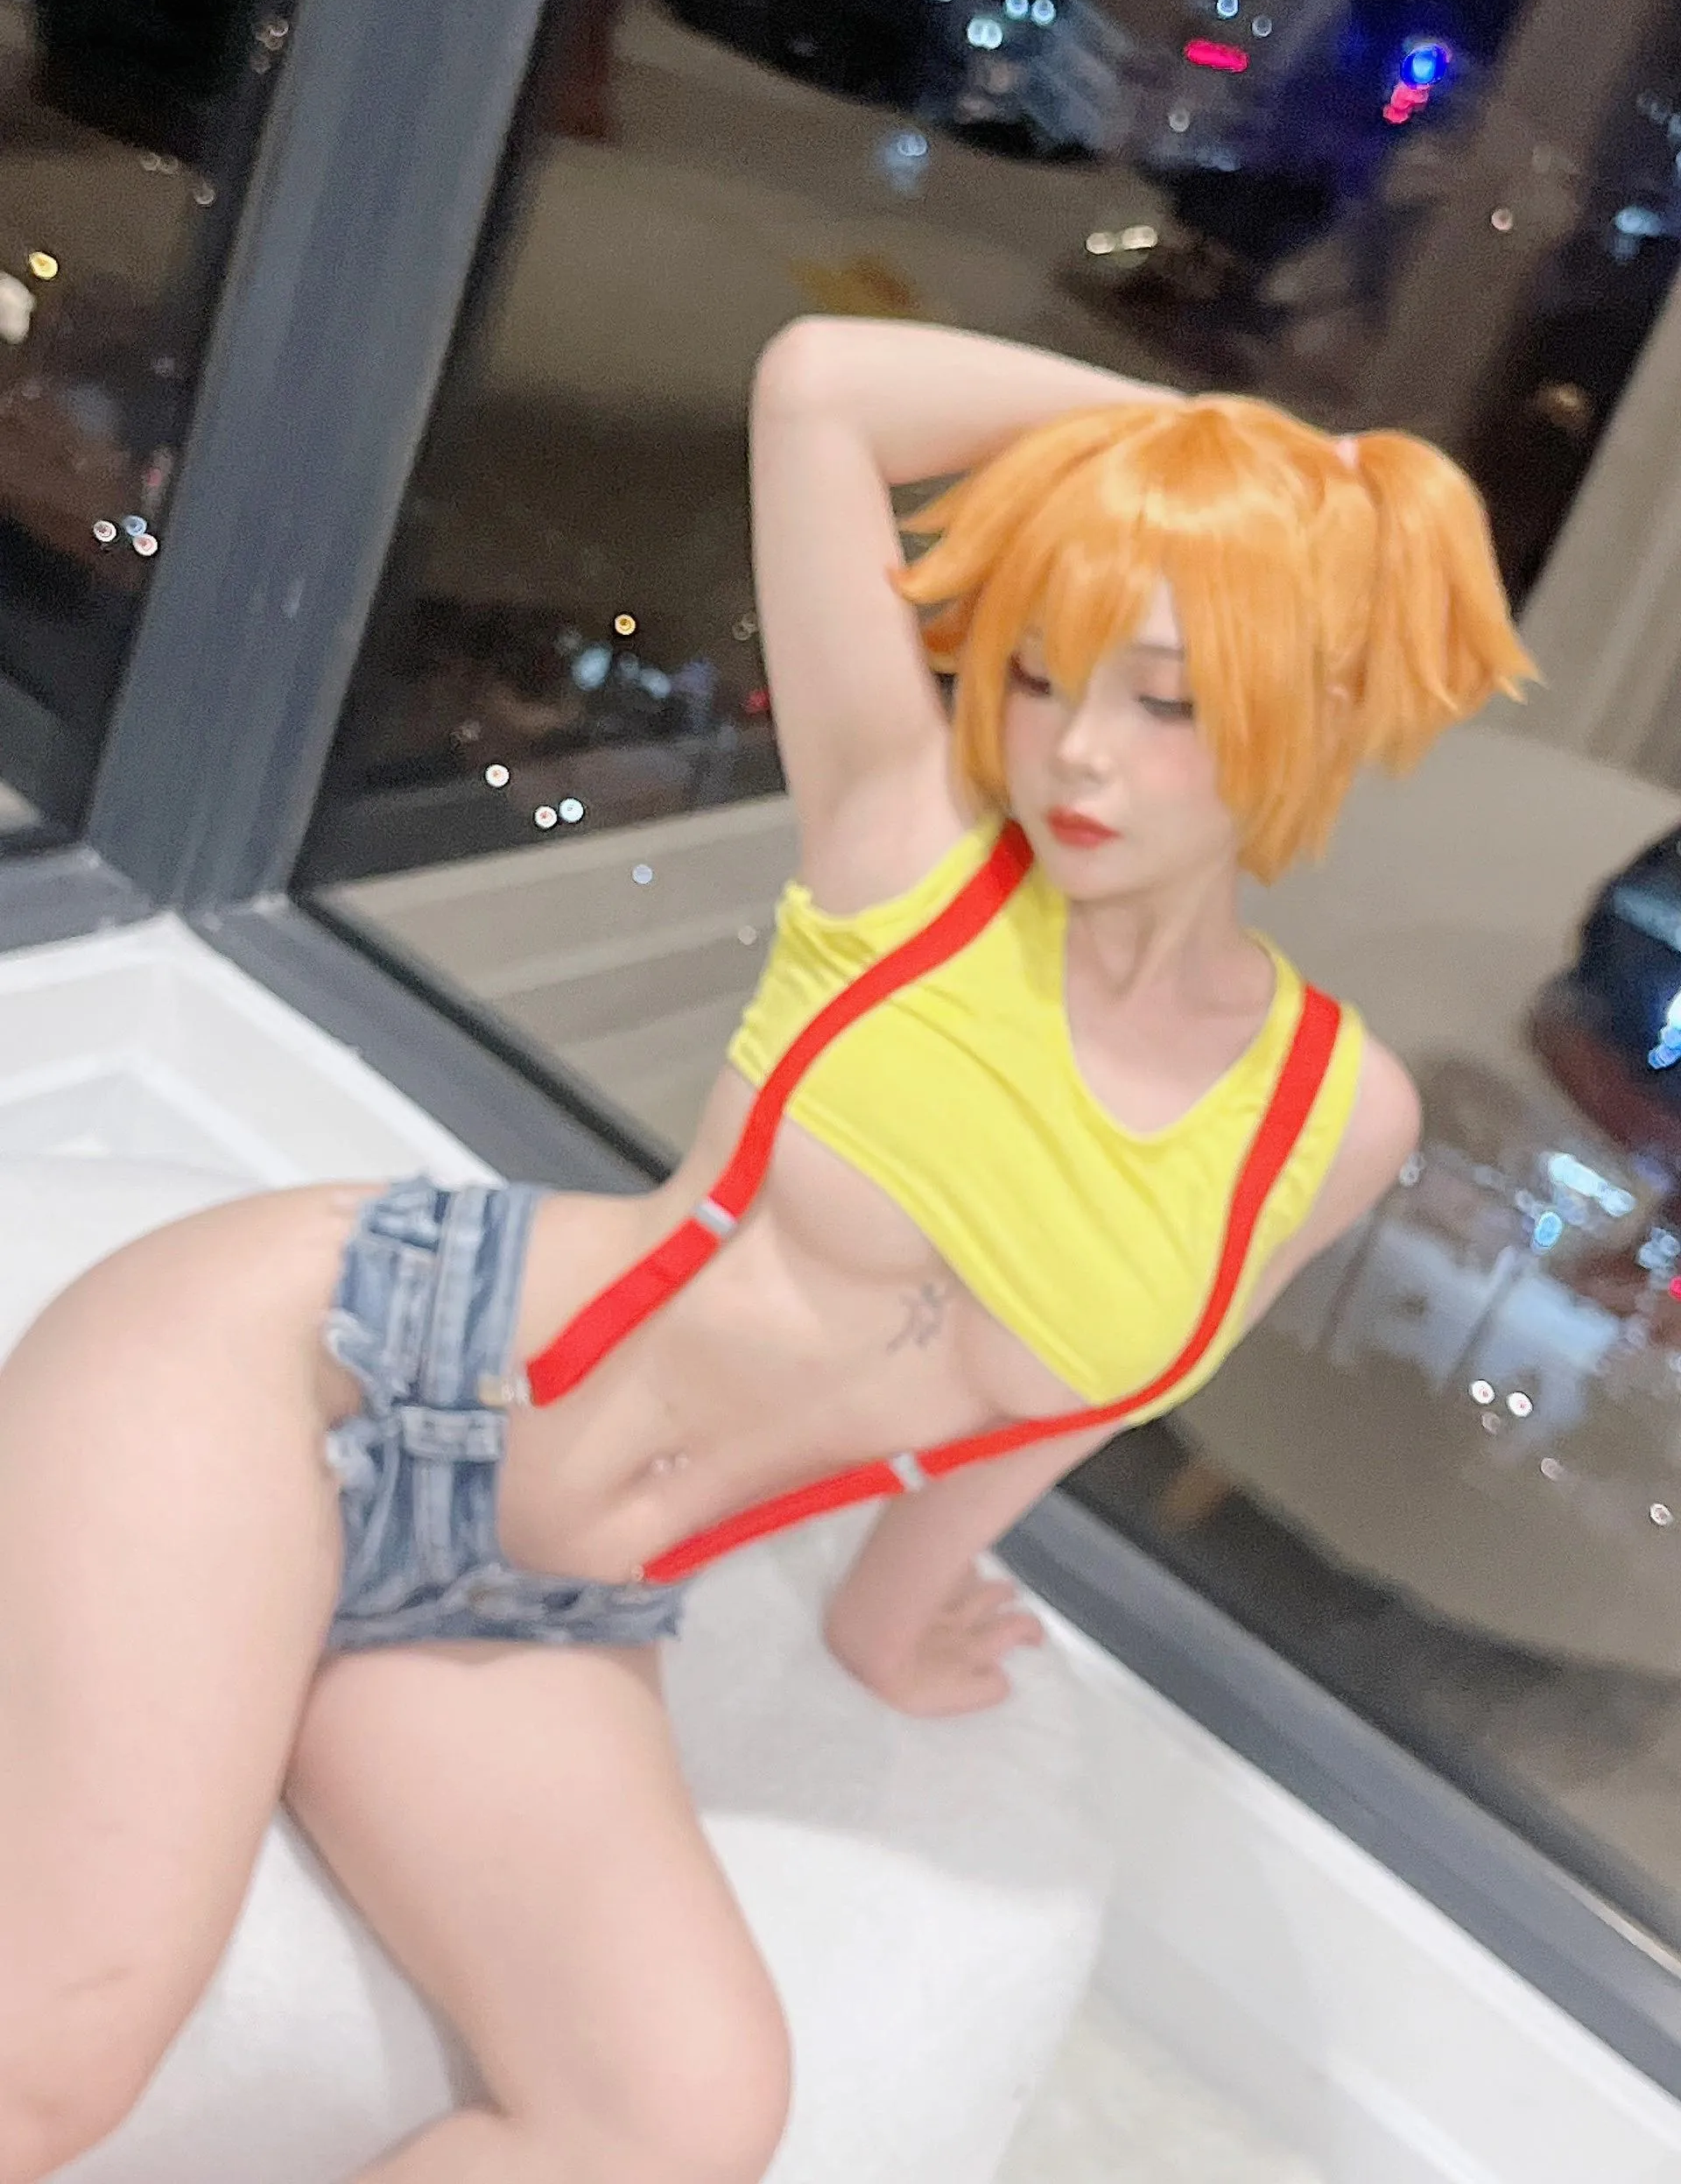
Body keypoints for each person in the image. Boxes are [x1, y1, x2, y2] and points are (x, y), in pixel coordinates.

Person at [0, 315, 1531, 2184]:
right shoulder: (912, 839)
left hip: (547, 1595)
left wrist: (895, 1610)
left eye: (1172, 701)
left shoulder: (1332, 1116)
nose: (1077, 752)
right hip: (313, 1374)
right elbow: (820, 386)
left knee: (680, 2114)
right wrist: (1227, 458)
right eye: (1040, 674)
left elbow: (1071, 1395)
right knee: (63, 2050)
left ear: (1310, 705)